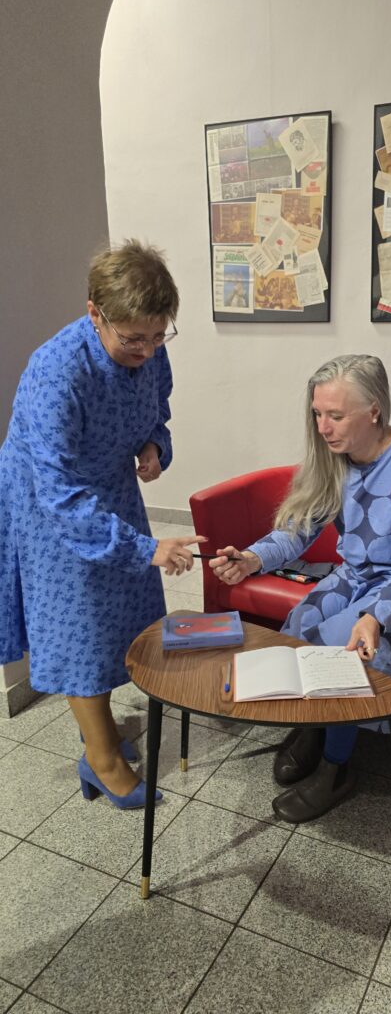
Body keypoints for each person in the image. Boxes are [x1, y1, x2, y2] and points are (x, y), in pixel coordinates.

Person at [210, 354, 391, 823]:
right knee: (300, 625)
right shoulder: (334, 458)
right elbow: (298, 530)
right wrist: (251, 558)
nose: (323, 427)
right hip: (360, 572)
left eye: (335, 415)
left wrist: (375, 615)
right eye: (317, 414)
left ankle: (336, 768)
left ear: (374, 410)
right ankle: (317, 726)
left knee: (341, 651)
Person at [0, 240, 207, 809]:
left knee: (124, 612)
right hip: (51, 502)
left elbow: (158, 410)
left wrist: (153, 445)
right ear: (95, 313)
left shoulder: (149, 350)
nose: (147, 350)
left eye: (158, 336)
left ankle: (104, 729)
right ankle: (100, 758)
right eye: (133, 339)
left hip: (110, 486)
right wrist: (145, 548)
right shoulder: (57, 371)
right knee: (82, 624)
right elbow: (59, 491)